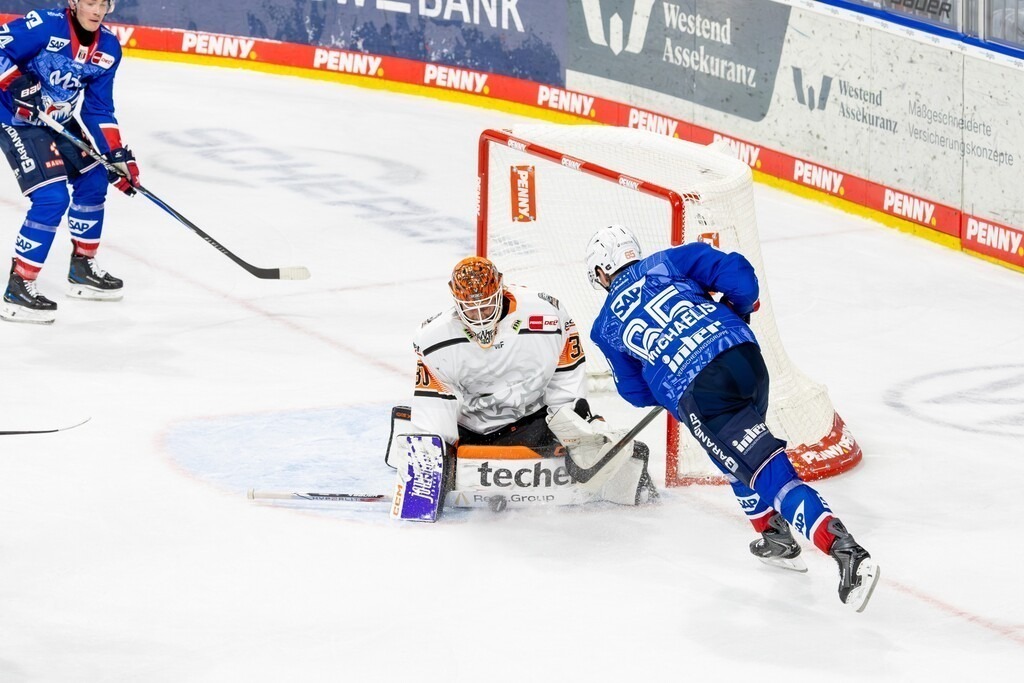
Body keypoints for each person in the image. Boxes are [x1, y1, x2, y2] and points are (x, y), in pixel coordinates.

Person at [584, 225, 879, 611]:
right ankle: (774, 538)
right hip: (744, 358)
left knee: (766, 473)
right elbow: (741, 278)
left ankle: (847, 553)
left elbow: (635, 392)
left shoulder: (605, 326)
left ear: (602, 273)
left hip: (703, 392)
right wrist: (733, 312)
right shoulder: (670, 261)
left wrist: (669, 378)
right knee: (735, 457)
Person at [387, 255, 657, 516]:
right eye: (470, 308)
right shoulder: (433, 337)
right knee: (431, 446)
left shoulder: (546, 313)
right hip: (470, 428)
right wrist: (434, 452)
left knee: (594, 446)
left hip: (531, 422)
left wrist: (574, 427)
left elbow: (566, 371)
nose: (480, 316)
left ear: (501, 288)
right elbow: (435, 398)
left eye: (486, 305)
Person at [0, 1, 139, 324]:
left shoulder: (108, 48)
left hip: (57, 119)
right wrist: (15, 81)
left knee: (92, 180)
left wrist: (115, 155)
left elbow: (97, 109)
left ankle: (82, 269)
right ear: (74, 2)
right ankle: (19, 286)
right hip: (16, 117)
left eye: (103, 4)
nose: (97, 10)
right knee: (51, 197)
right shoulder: (45, 26)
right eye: (90, 2)